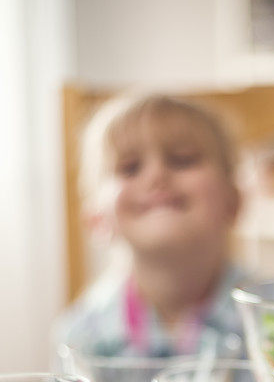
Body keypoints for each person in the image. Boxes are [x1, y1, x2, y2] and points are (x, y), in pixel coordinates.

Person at [55, 93, 246, 357]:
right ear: (96, 218)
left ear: (233, 201)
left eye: (183, 159)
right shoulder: (80, 337)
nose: (157, 175)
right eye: (130, 168)